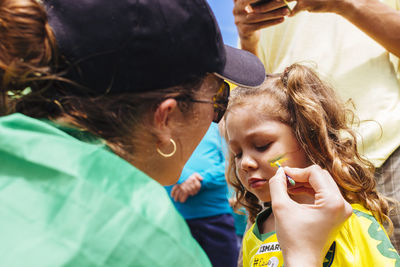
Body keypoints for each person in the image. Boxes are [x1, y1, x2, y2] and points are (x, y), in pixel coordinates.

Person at [0, 0, 353, 266]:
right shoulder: (141, 234)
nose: (245, 162)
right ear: (165, 117)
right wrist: (304, 253)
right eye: (218, 99)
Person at [233, 0, 400, 251]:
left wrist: (345, 4)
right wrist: (247, 36)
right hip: (288, 175)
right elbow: (251, 92)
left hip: (384, 154)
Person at [223, 63, 400, 266]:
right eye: (237, 154)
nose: (245, 163)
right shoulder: (255, 234)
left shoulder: (350, 221)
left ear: (309, 140)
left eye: (262, 146)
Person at [165, 122, 238, 267]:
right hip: (175, 220)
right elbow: (156, 160)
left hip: (216, 217)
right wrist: (184, 177)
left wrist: (200, 181)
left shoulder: (215, 130)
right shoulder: (164, 129)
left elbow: (232, 165)